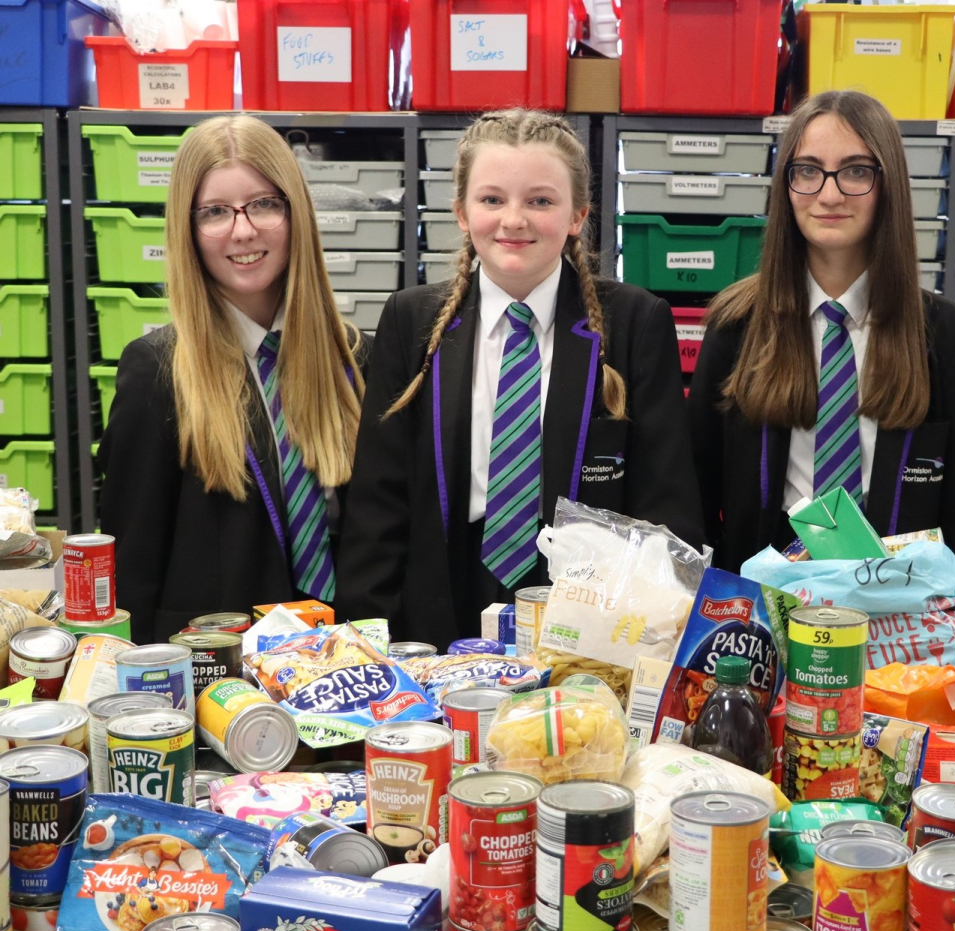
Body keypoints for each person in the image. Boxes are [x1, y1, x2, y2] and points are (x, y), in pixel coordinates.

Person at [336, 108, 704, 648]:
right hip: (441, 601)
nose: (514, 219)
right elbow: (378, 505)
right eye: (492, 200)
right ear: (461, 212)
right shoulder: (409, 321)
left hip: (588, 616)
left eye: (540, 200)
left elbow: (666, 509)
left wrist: (648, 647)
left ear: (578, 214)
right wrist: (369, 643)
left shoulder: (635, 322)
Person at [688, 90, 955, 622]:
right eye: (807, 171)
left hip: (902, 625)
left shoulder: (954, 340)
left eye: (855, 171)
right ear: (785, 186)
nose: (828, 193)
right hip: (763, 615)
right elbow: (695, 499)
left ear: (888, 186)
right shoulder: (737, 327)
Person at [99, 114, 365, 643]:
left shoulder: (356, 361)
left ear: (296, 214)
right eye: (215, 212)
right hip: (218, 680)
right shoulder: (157, 372)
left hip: (345, 663)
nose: (243, 230)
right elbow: (132, 566)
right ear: (188, 229)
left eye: (265, 204)